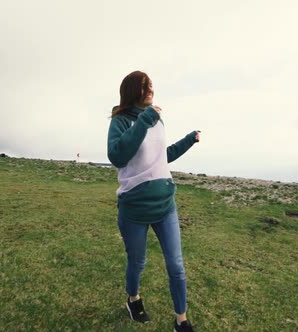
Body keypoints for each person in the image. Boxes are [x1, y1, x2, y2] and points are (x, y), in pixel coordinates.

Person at [107, 70, 200, 332]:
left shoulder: (157, 121)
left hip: (164, 204)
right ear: (132, 90)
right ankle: (133, 298)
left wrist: (188, 140)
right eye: (145, 86)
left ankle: (181, 320)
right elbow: (117, 156)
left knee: (176, 264)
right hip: (134, 208)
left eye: (151, 86)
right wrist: (146, 119)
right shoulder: (121, 121)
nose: (150, 90)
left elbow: (161, 157)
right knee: (137, 261)